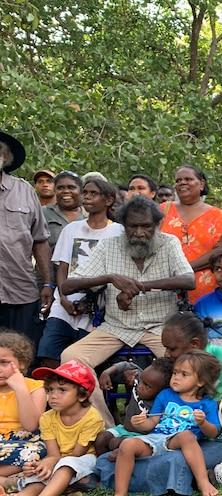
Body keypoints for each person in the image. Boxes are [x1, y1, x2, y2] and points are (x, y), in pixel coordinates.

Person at [94, 312, 222, 496]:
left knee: (178, 461)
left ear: (194, 344)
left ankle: (123, 476)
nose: (166, 354)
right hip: (167, 436)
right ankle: (133, 471)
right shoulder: (177, 363)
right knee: (128, 453)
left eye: (171, 349)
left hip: (212, 439)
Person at [59, 195, 195, 425]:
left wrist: (138, 287)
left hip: (160, 327)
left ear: (156, 225)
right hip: (116, 326)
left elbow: (189, 280)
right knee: (71, 358)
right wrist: (112, 278)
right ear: (123, 225)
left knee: (187, 365)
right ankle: (104, 425)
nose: (140, 233)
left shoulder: (169, 243)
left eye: (146, 227)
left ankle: (175, 422)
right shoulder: (108, 245)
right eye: (133, 226)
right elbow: (68, 285)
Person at [101, 349, 221, 496]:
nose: (176, 377)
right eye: (175, 372)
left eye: (184, 374)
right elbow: (152, 423)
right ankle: (119, 494)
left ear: (200, 381)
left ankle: (203, 482)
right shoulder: (165, 395)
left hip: (177, 441)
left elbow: (213, 433)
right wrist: (140, 423)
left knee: (186, 435)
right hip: (156, 438)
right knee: (127, 445)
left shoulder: (207, 404)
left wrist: (203, 423)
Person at [36, 178, 123, 368]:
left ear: (108, 201)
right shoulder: (72, 229)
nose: (87, 197)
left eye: (94, 193)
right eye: (86, 193)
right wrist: (63, 297)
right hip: (65, 303)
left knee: (84, 361)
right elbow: (62, 266)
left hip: (98, 308)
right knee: (49, 353)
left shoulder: (118, 232)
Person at [0, 360, 103, 496]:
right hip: (58, 459)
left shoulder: (92, 417)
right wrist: (40, 466)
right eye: (50, 389)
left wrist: (51, 462)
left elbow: (76, 454)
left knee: (66, 464)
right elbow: (53, 453)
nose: (53, 395)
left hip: (83, 460)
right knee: (40, 475)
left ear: (82, 395)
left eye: (62, 390)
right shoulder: (47, 418)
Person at [0, 130, 53, 350]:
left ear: (5, 157)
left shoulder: (24, 191)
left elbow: (39, 240)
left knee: (21, 352)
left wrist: (48, 282)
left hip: (19, 288)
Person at [161, 165, 222, 304]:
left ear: (201, 184)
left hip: (207, 292)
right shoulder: (163, 210)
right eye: (178, 180)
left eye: (188, 179)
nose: (182, 183)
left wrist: (184, 269)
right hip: (167, 289)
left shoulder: (215, 215)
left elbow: (221, 250)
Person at [94, 357, 172, 456]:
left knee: (116, 443)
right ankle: (102, 466)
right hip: (124, 428)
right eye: (141, 381)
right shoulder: (142, 376)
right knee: (101, 439)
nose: (140, 385)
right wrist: (107, 372)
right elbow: (125, 365)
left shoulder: (159, 403)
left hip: (143, 437)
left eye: (147, 386)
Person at [0, 330, 47, 483]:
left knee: (37, 451)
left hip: (24, 441)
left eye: (4, 362)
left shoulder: (35, 387)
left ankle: (5, 479)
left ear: (22, 363)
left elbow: (31, 425)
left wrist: (20, 389)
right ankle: (7, 481)